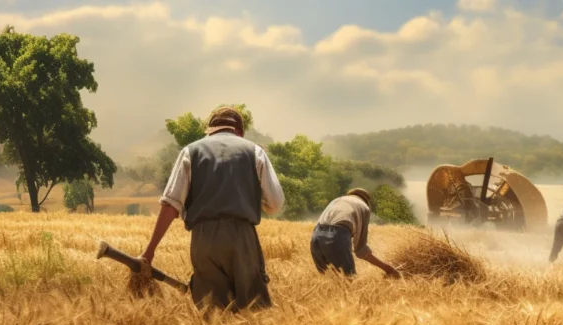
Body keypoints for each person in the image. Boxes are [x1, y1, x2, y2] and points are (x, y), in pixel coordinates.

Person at [139, 106, 284, 311]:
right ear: (239, 132)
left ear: (210, 130)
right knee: (253, 310)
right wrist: (248, 198)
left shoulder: (191, 151)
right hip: (241, 237)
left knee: (212, 312)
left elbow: (171, 204)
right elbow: (275, 204)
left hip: (203, 239)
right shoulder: (254, 151)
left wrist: (149, 251)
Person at [311, 188, 400, 278]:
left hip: (316, 235)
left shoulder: (336, 200)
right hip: (337, 236)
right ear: (367, 201)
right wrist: (387, 268)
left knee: (328, 279)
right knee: (349, 279)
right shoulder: (364, 207)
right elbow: (361, 250)